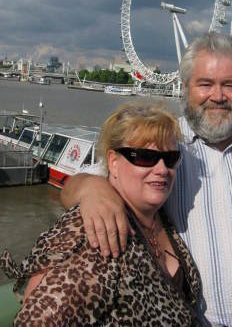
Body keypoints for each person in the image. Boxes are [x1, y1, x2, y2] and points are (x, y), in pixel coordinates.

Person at [61, 32, 232, 327]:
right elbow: (73, 187)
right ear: (186, 88)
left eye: (230, 85)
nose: (218, 96)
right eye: (205, 84)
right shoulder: (166, 147)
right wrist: (92, 188)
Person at [0, 103, 201, 326]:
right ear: (113, 162)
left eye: (170, 158)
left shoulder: (161, 219)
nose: (162, 169)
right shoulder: (92, 233)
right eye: (146, 157)